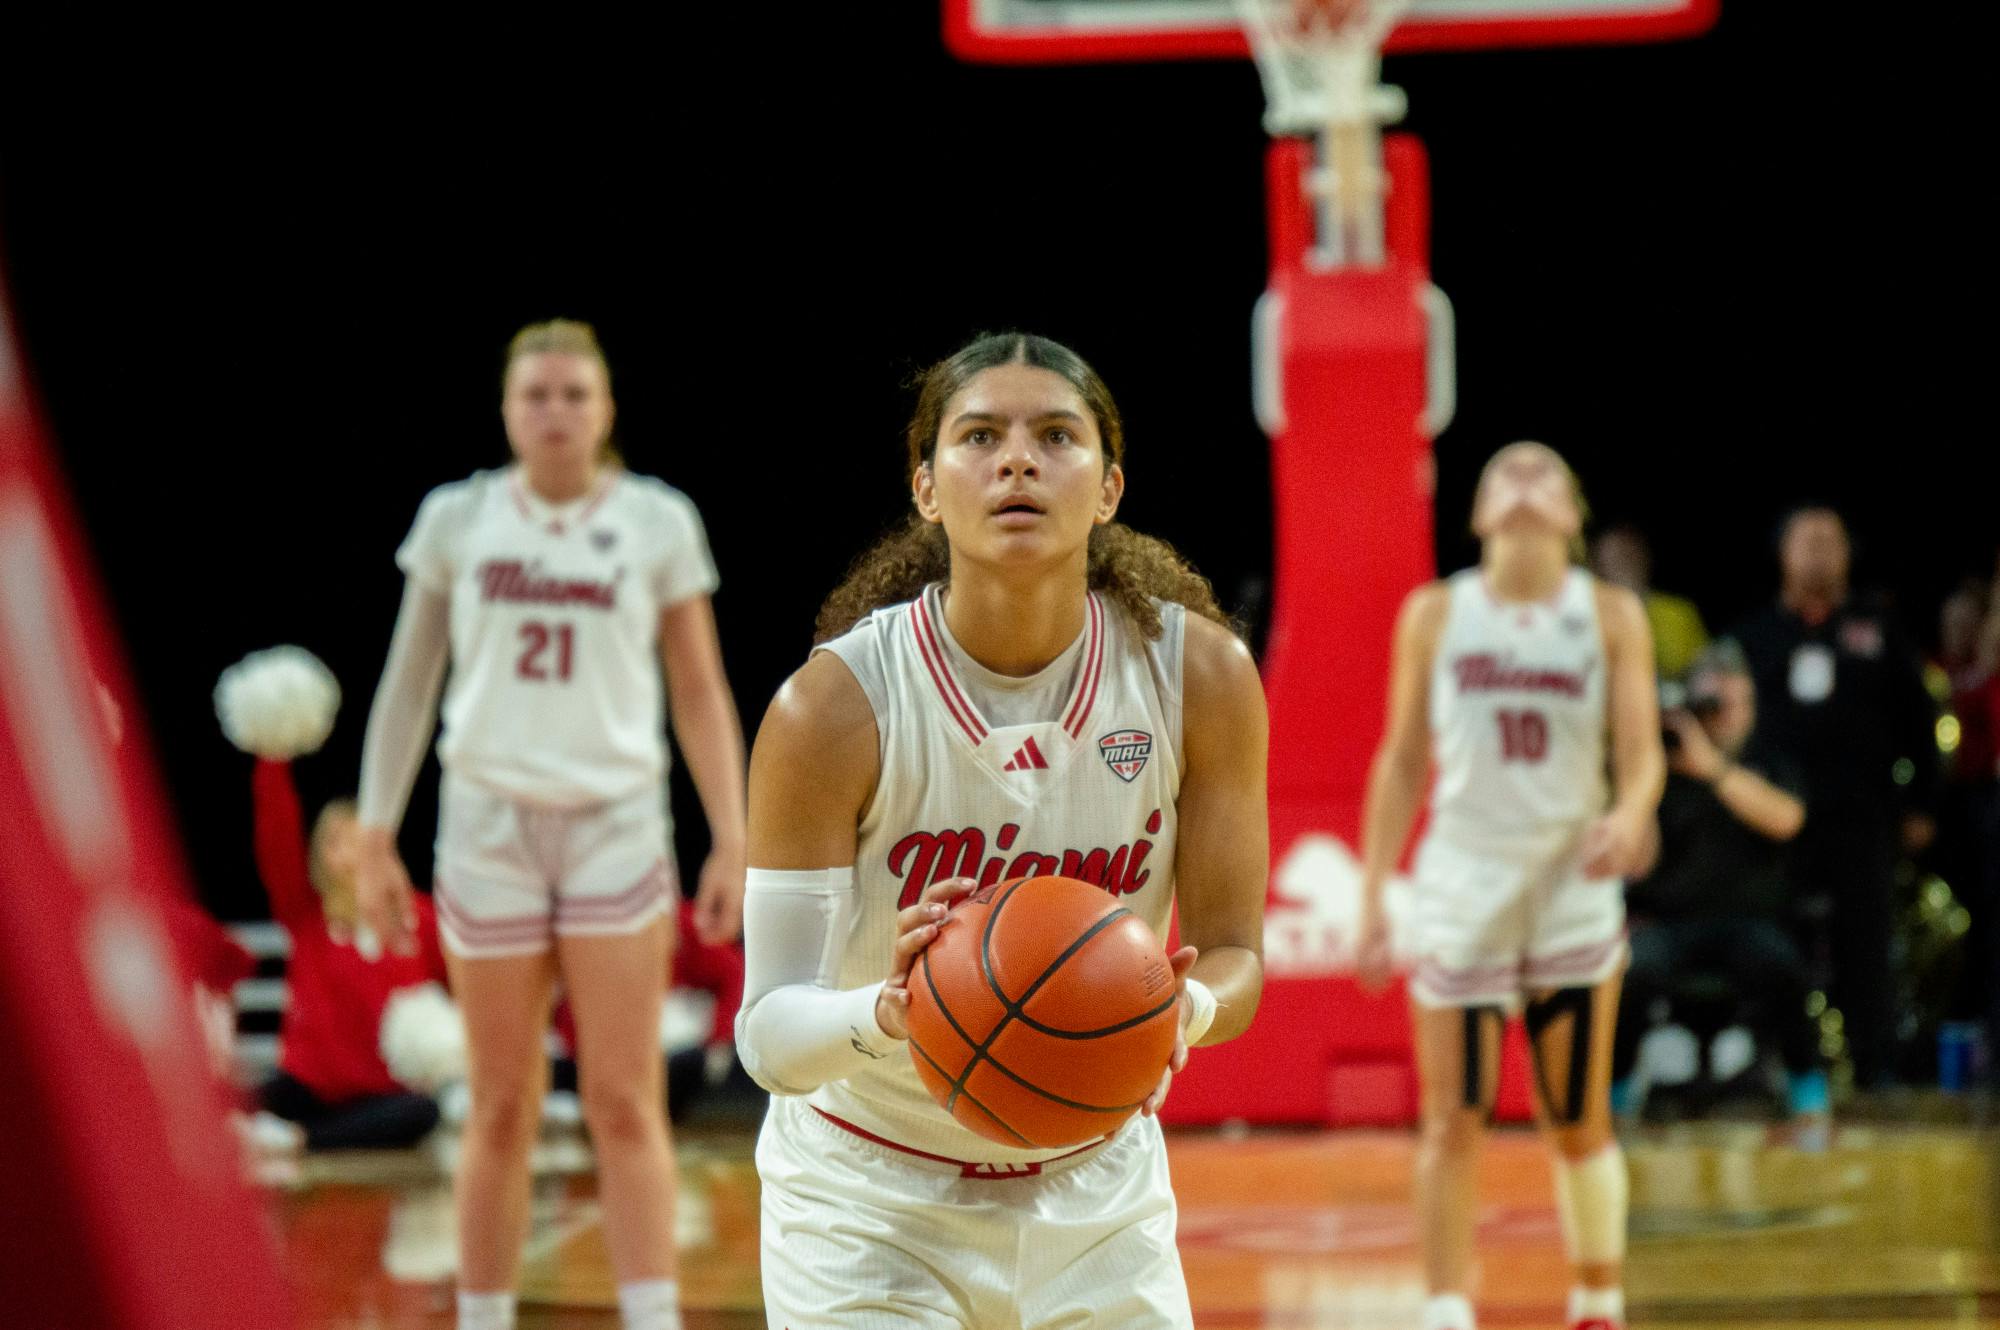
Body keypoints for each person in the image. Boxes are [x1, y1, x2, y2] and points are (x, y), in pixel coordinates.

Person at [734, 332, 1269, 1329]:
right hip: (866, 1196)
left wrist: (1178, 1007)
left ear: (1108, 486)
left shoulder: (1200, 678)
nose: (1016, 459)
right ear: (926, 488)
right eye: (977, 436)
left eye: (1054, 436)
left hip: (1098, 1191)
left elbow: (1237, 954)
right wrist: (888, 1011)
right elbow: (766, 1032)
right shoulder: (833, 708)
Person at [353, 319, 748, 1330]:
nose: (556, 410)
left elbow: (699, 689)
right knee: (498, 1102)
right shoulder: (459, 517)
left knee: (624, 1098)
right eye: (536, 393)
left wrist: (732, 832)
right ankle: (483, 1317)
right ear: (506, 409)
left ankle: (651, 1316)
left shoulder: (658, 521)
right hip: (488, 824)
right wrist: (374, 828)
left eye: (575, 393)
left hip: (614, 822)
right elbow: (407, 684)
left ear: (607, 407)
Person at [1356, 442, 1665, 1330]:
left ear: (1574, 516)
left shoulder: (1610, 614)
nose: (1525, 479)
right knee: (1455, 1120)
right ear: (1479, 513)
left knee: (1575, 1116)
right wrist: (1376, 896)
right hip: (1463, 877)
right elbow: (1402, 759)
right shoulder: (1434, 611)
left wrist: (1633, 811)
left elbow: (1640, 758)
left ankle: (1597, 1301)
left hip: (1571, 875)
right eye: (1505, 471)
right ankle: (1447, 1309)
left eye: (1547, 473)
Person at [1731, 507, 1941, 1088]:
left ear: (1849, 554)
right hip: (1773, 822)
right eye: (1808, 540)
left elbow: (1919, 720)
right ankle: (1778, 1065)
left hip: (1861, 816)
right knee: (1775, 943)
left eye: (1832, 541)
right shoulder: (1754, 637)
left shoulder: (1878, 630)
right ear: (1782, 553)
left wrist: (1921, 803)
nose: (1820, 551)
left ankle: (1875, 1069)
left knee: (1866, 945)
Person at [1612, 639, 1825, 1120]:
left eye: (1733, 700)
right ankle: (1617, 1085)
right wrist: (1645, 767)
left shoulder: (1769, 760)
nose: (1724, 712)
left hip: (1749, 923)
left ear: (1751, 702)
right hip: (1671, 924)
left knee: (1781, 964)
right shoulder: (1660, 766)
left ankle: (1805, 1081)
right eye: (1713, 701)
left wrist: (1713, 768)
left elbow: (1787, 819)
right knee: (1633, 969)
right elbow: (1638, 859)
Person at [248, 756, 450, 1151]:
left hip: (385, 1094)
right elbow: (276, 836)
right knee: (234, 1101)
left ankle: (299, 1140)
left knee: (422, 1113)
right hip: (311, 1088)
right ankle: (295, 1133)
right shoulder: (307, 912)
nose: (337, 848)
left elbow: (460, 991)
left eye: (348, 832)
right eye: (329, 839)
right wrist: (272, 756)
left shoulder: (419, 916)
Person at [1591, 523, 1709, 681]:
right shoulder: (1588, 615)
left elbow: (1701, 671)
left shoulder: (1678, 612)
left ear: (1645, 558)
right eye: (1612, 561)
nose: (1622, 568)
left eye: (1627, 557)